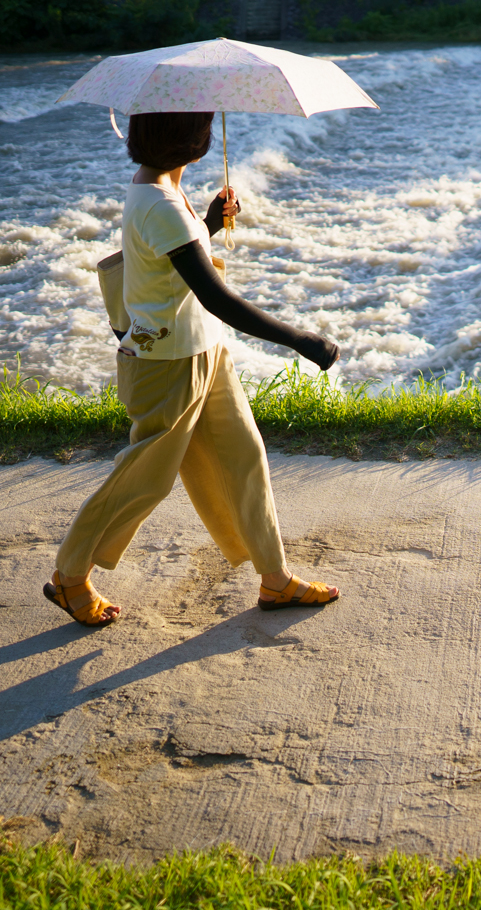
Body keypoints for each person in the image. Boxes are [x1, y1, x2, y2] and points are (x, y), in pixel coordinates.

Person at [46, 111, 342, 628]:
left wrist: (206, 222)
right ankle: (70, 576)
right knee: (146, 479)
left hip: (203, 349)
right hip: (167, 363)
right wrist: (300, 338)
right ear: (197, 145)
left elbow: (169, 266)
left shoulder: (152, 188)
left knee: (244, 457)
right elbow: (215, 296)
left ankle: (276, 579)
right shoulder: (161, 204)